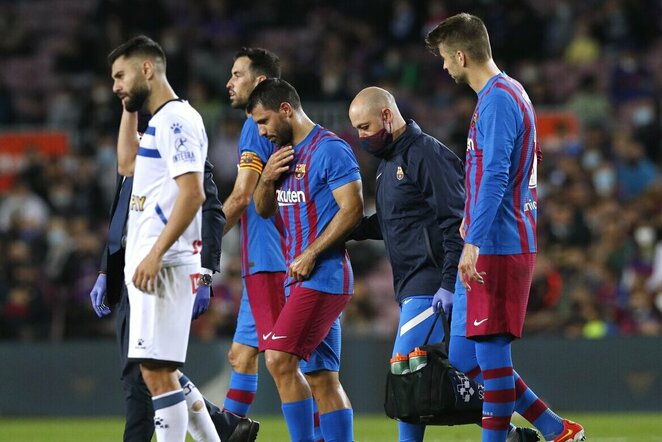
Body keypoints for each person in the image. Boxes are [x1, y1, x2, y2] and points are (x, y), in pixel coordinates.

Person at [425, 14, 586, 442]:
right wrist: (470, 219)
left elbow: (497, 173)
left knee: (491, 354)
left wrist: (474, 239)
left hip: (497, 242)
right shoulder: (507, 93)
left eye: (444, 58)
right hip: (492, 236)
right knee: (465, 355)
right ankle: (555, 429)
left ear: (461, 55)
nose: (444, 67)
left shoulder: (497, 100)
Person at [347, 87, 540, 442]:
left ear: (387, 117)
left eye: (364, 126)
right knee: (471, 369)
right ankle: (527, 431)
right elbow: (395, 221)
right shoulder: (389, 163)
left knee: (408, 371)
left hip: (433, 279)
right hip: (412, 283)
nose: (361, 136)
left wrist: (449, 283)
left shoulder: (425, 155)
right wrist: (349, 226)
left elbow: (456, 220)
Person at [89, 112, 258, 440]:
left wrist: (206, 274)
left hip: (160, 273)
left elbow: (212, 211)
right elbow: (120, 220)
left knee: (141, 375)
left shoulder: (180, 160)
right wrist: (103, 270)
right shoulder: (129, 163)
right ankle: (224, 428)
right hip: (125, 275)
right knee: (153, 369)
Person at [103, 34, 222, 442]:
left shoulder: (176, 120)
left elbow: (194, 193)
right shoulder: (158, 122)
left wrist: (154, 254)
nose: (116, 85)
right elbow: (126, 163)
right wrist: (128, 108)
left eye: (121, 76)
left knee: (157, 375)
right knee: (161, 371)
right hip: (155, 265)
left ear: (148, 69)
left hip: (166, 266)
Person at [250, 78, 363, 442]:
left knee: (278, 360)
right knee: (322, 379)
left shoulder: (331, 149)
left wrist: (312, 252)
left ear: (286, 109)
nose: (263, 131)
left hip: (324, 274)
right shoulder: (280, 155)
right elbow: (264, 211)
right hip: (298, 276)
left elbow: (353, 210)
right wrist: (266, 180)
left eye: (264, 121)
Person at [221, 47, 285, 422]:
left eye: (237, 74)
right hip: (261, 258)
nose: (229, 83)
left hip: (272, 259)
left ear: (260, 81)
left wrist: (201, 242)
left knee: (286, 365)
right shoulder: (272, 123)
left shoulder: (255, 124)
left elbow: (243, 195)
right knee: (241, 355)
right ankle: (228, 434)